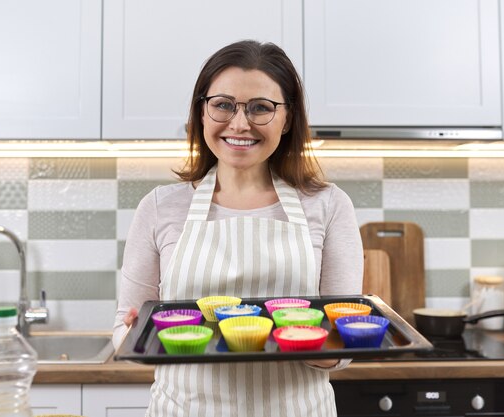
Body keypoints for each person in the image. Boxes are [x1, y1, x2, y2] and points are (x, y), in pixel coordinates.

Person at [113, 39, 363, 417]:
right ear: (201, 112)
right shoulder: (161, 207)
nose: (240, 123)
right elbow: (124, 329)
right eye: (223, 105)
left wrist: (333, 347)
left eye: (261, 108)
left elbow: (340, 343)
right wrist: (136, 339)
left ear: (288, 118)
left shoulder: (328, 205)